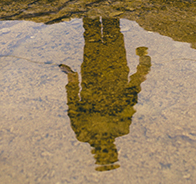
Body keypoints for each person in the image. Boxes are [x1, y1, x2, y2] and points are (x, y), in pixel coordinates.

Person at [59, 17, 151, 171]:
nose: (104, 147)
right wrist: (140, 73)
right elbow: (131, 96)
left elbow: (73, 104)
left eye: (102, 151)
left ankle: (92, 3)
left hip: (93, 75)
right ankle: (103, 3)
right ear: (114, 149)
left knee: (93, 35)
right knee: (111, 33)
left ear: (94, 152)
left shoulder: (83, 133)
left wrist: (72, 81)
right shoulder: (121, 128)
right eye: (109, 151)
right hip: (116, 72)